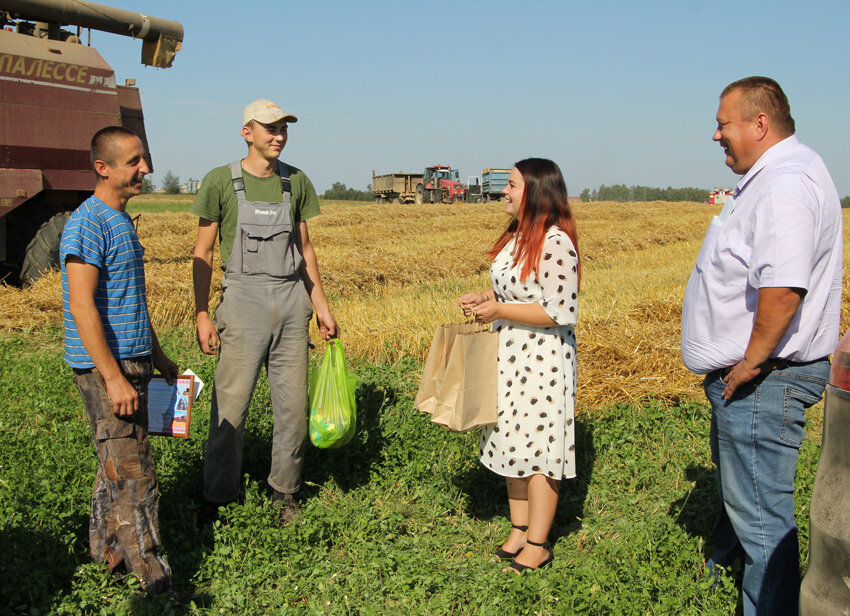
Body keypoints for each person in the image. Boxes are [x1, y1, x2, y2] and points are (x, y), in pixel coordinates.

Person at [681, 77, 843, 615]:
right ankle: (723, 576)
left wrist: (749, 363)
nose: (715, 135)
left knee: (763, 521)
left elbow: (783, 287)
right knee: (746, 500)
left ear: (759, 124)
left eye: (723, 123)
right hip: (757, 377)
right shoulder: (775, 177)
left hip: (766, 378)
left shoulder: (785, 185)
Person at [192, 99, 337, 525]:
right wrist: (202, 313)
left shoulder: (296, 181)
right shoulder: (221, 181)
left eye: (284, 129)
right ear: (246, 132)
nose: (279, 136)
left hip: (292, 302)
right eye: (270, 128)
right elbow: (201, 252)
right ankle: (218, 496)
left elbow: (305, 249)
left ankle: (284, 491)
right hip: (242, 301)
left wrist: (322, 308)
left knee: (293, 406)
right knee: (229, 407)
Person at [60, 126, 178, 595]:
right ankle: (154, 577)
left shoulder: (121, 221)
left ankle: (106, 552)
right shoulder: (86, 223)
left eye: (143, 159)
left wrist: (158, 355)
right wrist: (113, 378)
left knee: (115, 459)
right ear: (102, 168)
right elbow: (82, 306)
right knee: (135, 473)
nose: (144, 169)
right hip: (107, 369)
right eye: (134, 161)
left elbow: (129, 301)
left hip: (134, 362)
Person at [459, 158, 581, 573]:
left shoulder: (556, 242)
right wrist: (485, 299)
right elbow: (513, 291)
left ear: (535, 191)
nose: (503, 192)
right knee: (511, 441)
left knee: (541, 451)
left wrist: (500, 310)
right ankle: (519, 527)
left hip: (543, 361)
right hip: (510, 356)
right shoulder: (516, 236)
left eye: (510, 185)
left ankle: (539, 542)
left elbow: (558, 311)